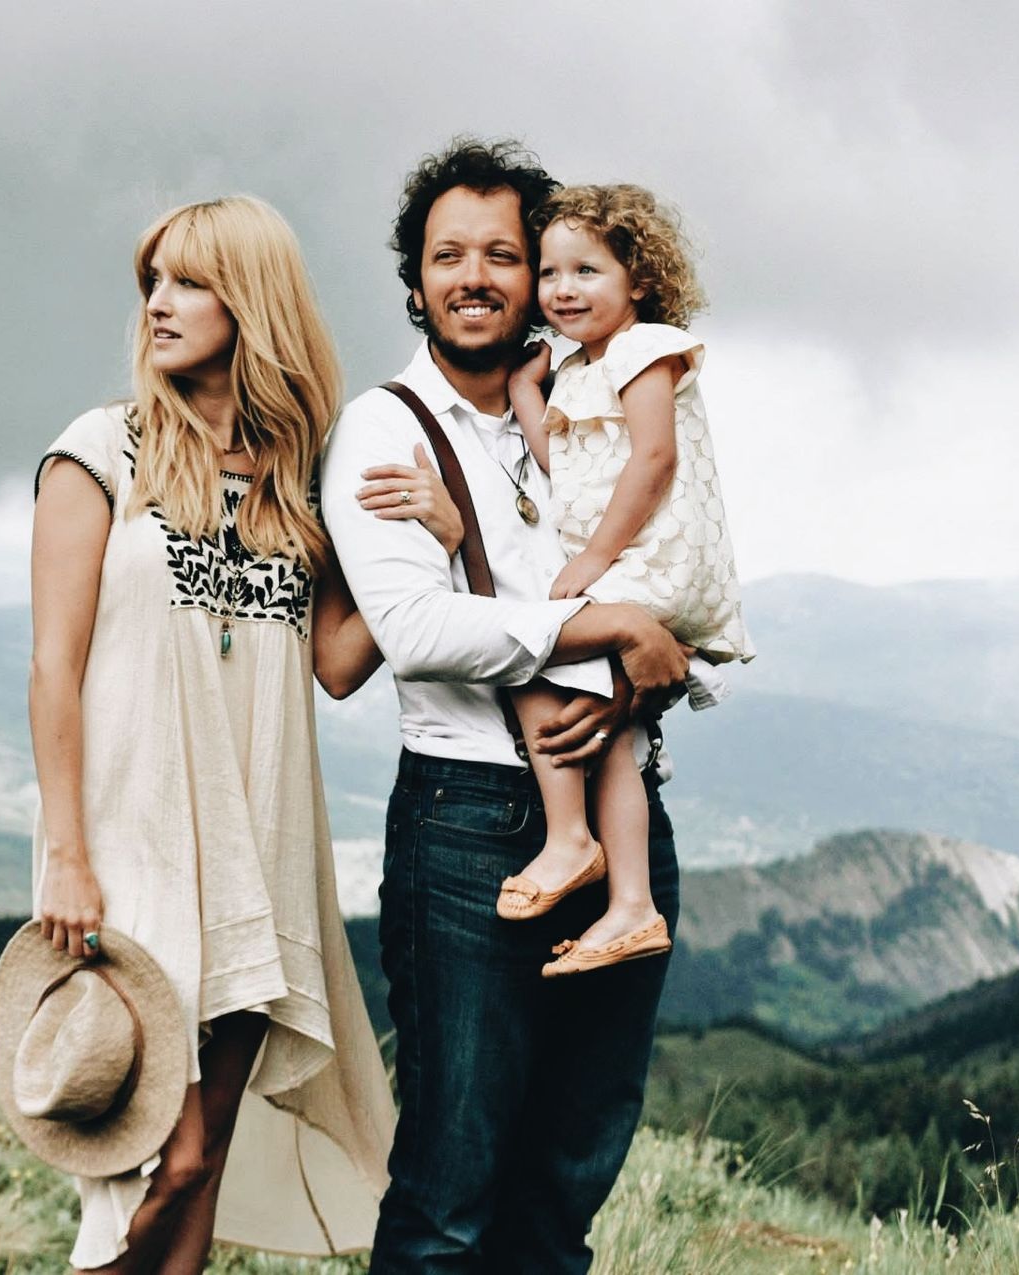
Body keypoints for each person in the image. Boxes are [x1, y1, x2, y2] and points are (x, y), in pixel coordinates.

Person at [28, 194, 454, 1272]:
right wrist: (68, 856)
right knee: (153, 1169)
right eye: (153, 282)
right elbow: (52, 669)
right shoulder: (100, 453)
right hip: (131, 859)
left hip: (258, 858)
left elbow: (338, 664)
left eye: (190, 282)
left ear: (250, 301)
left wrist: (439, 542)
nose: (159, 306)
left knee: (202, 1163)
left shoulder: (290, 478)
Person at [320, 139, 692, 1271]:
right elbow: (418, 634)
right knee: (454, 1184)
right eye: (447, 255)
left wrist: (640, 654)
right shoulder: (386, 430)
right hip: (469, 825)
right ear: (416, 279)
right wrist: (609, 630)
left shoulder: (585, 405)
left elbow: (656, 573)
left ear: (542, 273)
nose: (473, 276)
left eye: (502, 254)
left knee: (570, 1170)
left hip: (626, 814)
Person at [501, 183, 755, 976]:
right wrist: (523, 392)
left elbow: (654, 459)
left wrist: (591, 562)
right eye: (550, 273)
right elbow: (567, 471)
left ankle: (573, 840)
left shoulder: (647, 347)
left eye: (587, 270)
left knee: (529, 642)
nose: (563, 288)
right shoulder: (577, 369)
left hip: (654, 557)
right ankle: (631, 904)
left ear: (638, 278)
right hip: (628, 557)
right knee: (609, 731)